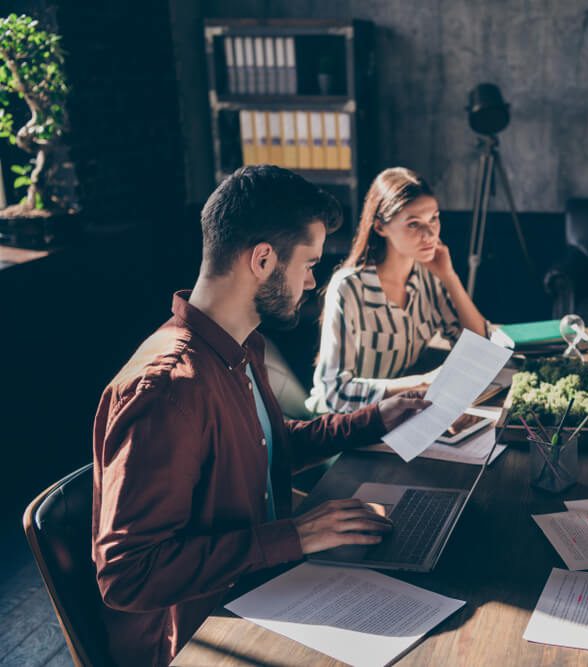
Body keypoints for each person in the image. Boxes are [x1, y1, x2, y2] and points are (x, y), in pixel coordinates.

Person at [92, 165, 431, 666]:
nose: (313, 281)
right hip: (203, 637)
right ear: (264, 259)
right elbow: (127, 574)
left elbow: (266, 443)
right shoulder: (166, 390)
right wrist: (295, 535)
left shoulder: (240, 346)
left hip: (266, 588)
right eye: (309, 264)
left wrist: (375, 418)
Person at [307, 167, 489, 414]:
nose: (429, 235)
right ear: (381, 227)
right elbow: (334, 392)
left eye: (433, 219)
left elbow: (480, 346)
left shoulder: (429, 276)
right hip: (341, 422)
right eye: (413, 224)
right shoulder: (348, 288)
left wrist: (449, 276)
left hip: (393, 415)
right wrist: (421, 383)